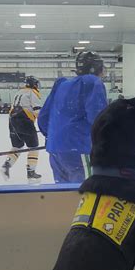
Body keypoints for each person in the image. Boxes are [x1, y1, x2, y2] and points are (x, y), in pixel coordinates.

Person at [38, 51, 108, 183]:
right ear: (97, 67)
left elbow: (43, 117)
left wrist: (55, 137)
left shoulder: (61, 84)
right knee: (85, 192)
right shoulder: (92, 82)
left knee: (64, 193)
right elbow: (98, 118)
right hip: (79, 148)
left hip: (55, 150)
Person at [1, 76, 42, 182]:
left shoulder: (19, 92)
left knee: (17, 146)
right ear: (34, 84)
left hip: (12, 121)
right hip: (24, 121)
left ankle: (6, 165)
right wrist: (45, 125)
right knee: (34, 147)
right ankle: (31, 172)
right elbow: (37, 111)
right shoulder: (32, 92)